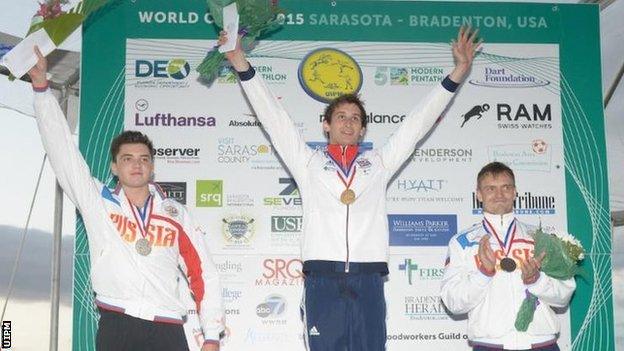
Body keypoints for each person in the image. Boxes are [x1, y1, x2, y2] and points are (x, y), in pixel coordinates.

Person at [219, 27, 480, 350]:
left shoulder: (379, 164)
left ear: (363, 128)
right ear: (326, 124)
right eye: (340, 116)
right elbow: (274, 118)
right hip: (322, 279)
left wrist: (458, 71)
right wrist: (241, 63)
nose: (347, 122)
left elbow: (418, 123)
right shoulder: (308, 163)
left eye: (355, 118)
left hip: (368, 278)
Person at [28, 47, 223, 351]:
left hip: (168, 326)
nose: (136, 164)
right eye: (128, 158)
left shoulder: (175, 213)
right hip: (118, 322)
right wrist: (42, 89)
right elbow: (62, 152)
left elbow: (204, 272)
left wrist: (211, 334)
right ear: (114, 167)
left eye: (144, 159)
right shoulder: (98, 201)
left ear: (152, 166)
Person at [440, 162, 576, 351]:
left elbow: (564, 295)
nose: (499, 195)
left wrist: (536, 280)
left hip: (542, 343)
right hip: (490, 345)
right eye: (490, 188)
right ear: (479, 194)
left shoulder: (540, 238)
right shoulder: (463, 242)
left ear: (515, 192)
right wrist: (483, 273)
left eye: (506, 187)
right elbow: (453, 302)